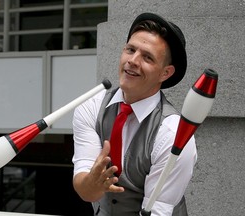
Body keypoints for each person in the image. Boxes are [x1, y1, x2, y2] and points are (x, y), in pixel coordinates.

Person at [72, 12, 197, 216]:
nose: (133, 61)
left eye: (147, 57)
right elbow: (86, 191)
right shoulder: (91, 108)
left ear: (165, 73)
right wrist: (92, 183)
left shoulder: (173, 133)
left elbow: (157, 211)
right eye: (130, 50)